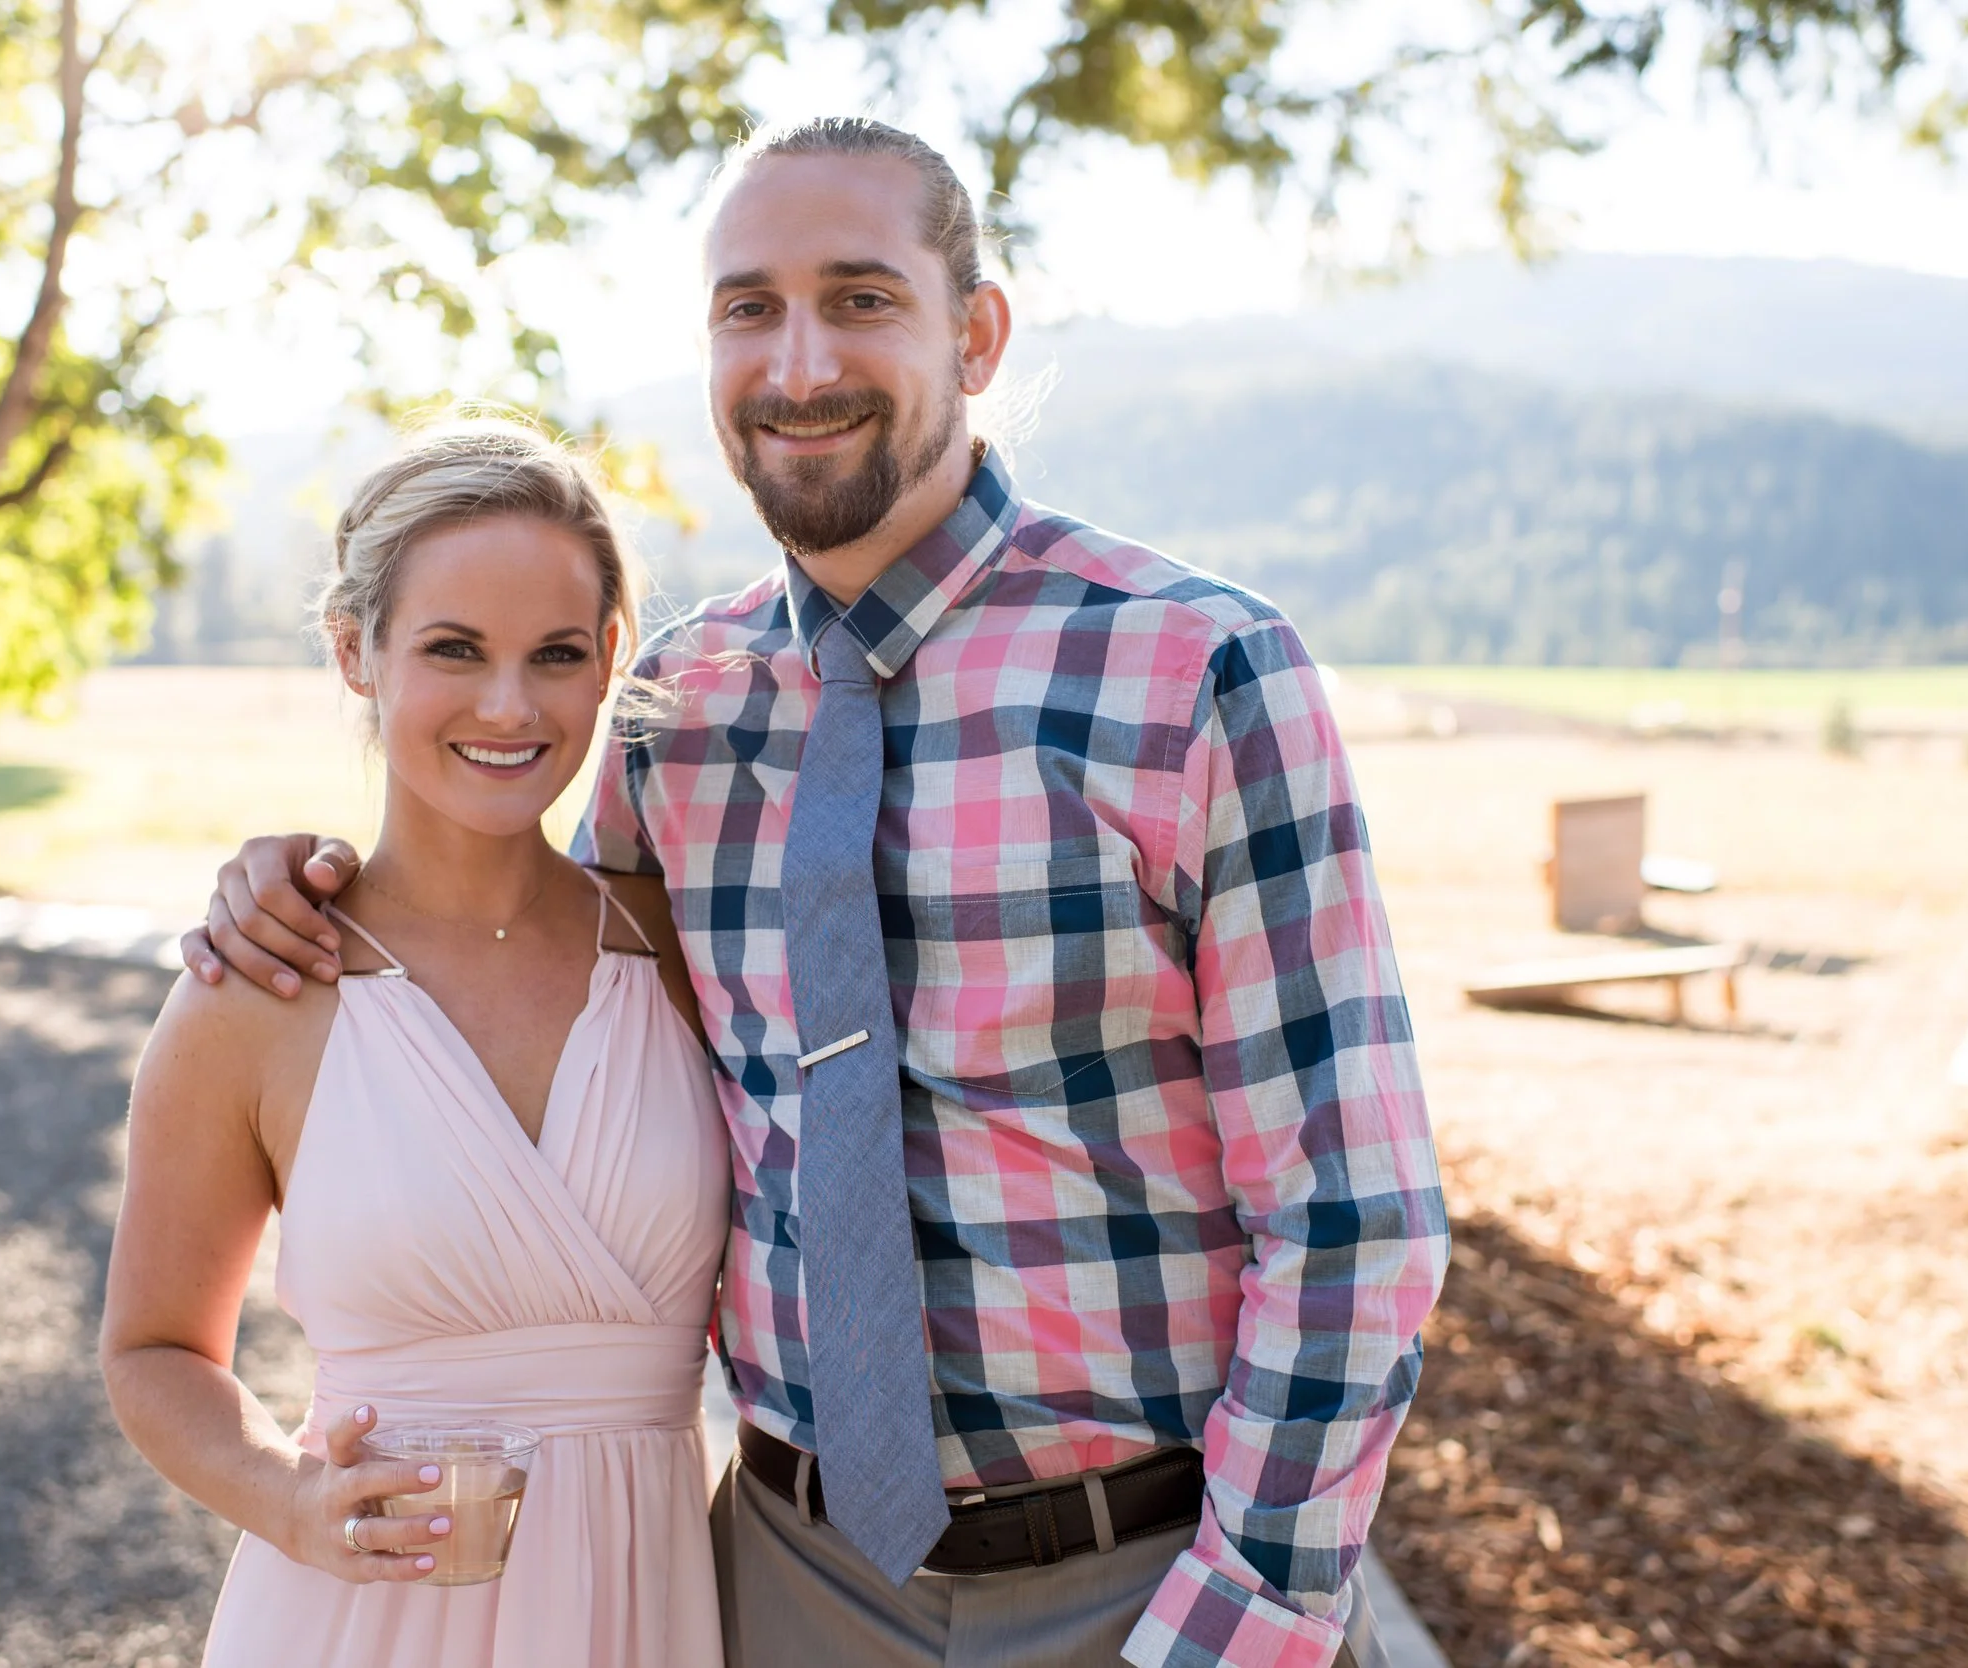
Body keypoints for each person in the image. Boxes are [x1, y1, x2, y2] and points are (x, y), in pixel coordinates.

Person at [186, 118, 1448, 1668]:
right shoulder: (678, 711)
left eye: (860, 298)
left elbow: (1352, 1219)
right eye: (748, 307)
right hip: (783, 1586)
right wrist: (301, 884)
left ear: (974, 333)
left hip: (1153, 1577)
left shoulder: (1194, 673)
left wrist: (1245, 1618)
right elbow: (540, 990)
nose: (798, 364)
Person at [100, 418, 728, 1668]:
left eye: (554, 655)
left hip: (646, 1607)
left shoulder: (680, 947)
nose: (509, 706)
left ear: (610, 660)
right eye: (453, 650)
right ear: (354, 650)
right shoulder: (259, 989)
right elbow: (152, 1351)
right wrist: (283, 1497)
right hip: (364, 1619)